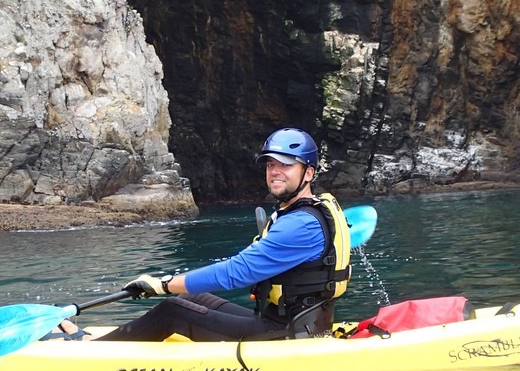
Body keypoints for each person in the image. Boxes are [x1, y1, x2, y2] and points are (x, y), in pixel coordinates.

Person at [91, 127, 352, 342]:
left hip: (288, 333)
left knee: (172, 310)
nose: (275, 171)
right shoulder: (302, 212)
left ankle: (93, 355)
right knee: (193, 297)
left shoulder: (301, 225)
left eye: (286, 164)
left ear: (308, 173)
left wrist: (163, 284)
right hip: (288, 320)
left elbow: (236, 272)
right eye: (271, 164)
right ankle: (117, 339)